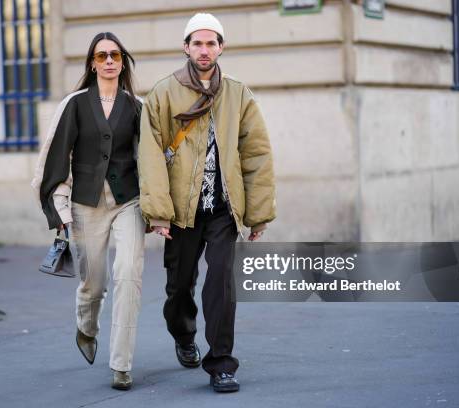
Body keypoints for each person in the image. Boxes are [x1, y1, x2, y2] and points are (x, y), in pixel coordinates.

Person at [137, 13, 276, 393]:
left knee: (221, 284)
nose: (204, 49)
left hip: (222, 212)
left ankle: (221, 364)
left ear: (221, 47)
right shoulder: (163, 93)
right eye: (197, 43)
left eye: (211, 43)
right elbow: (149, 155)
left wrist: (258, 214)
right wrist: (158, 212)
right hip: (181, 212)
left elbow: (256, 154)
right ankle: (184, 335)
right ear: (185, 47)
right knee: (179, 287)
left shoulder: (238, 93)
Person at [32, 32, 145, 391]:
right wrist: (61, 209)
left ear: (122, 61)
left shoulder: (137, 106)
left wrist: (159, 210)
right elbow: (55, 157)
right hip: (85, 204)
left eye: (115, 54)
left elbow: (151, 160)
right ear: (93, 64)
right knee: (93, 284)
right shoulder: (75, 104)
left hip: (129, 202)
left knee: (128, 276)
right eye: (102, 55)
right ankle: (86, 326)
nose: (109, 60)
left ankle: (122, 365)